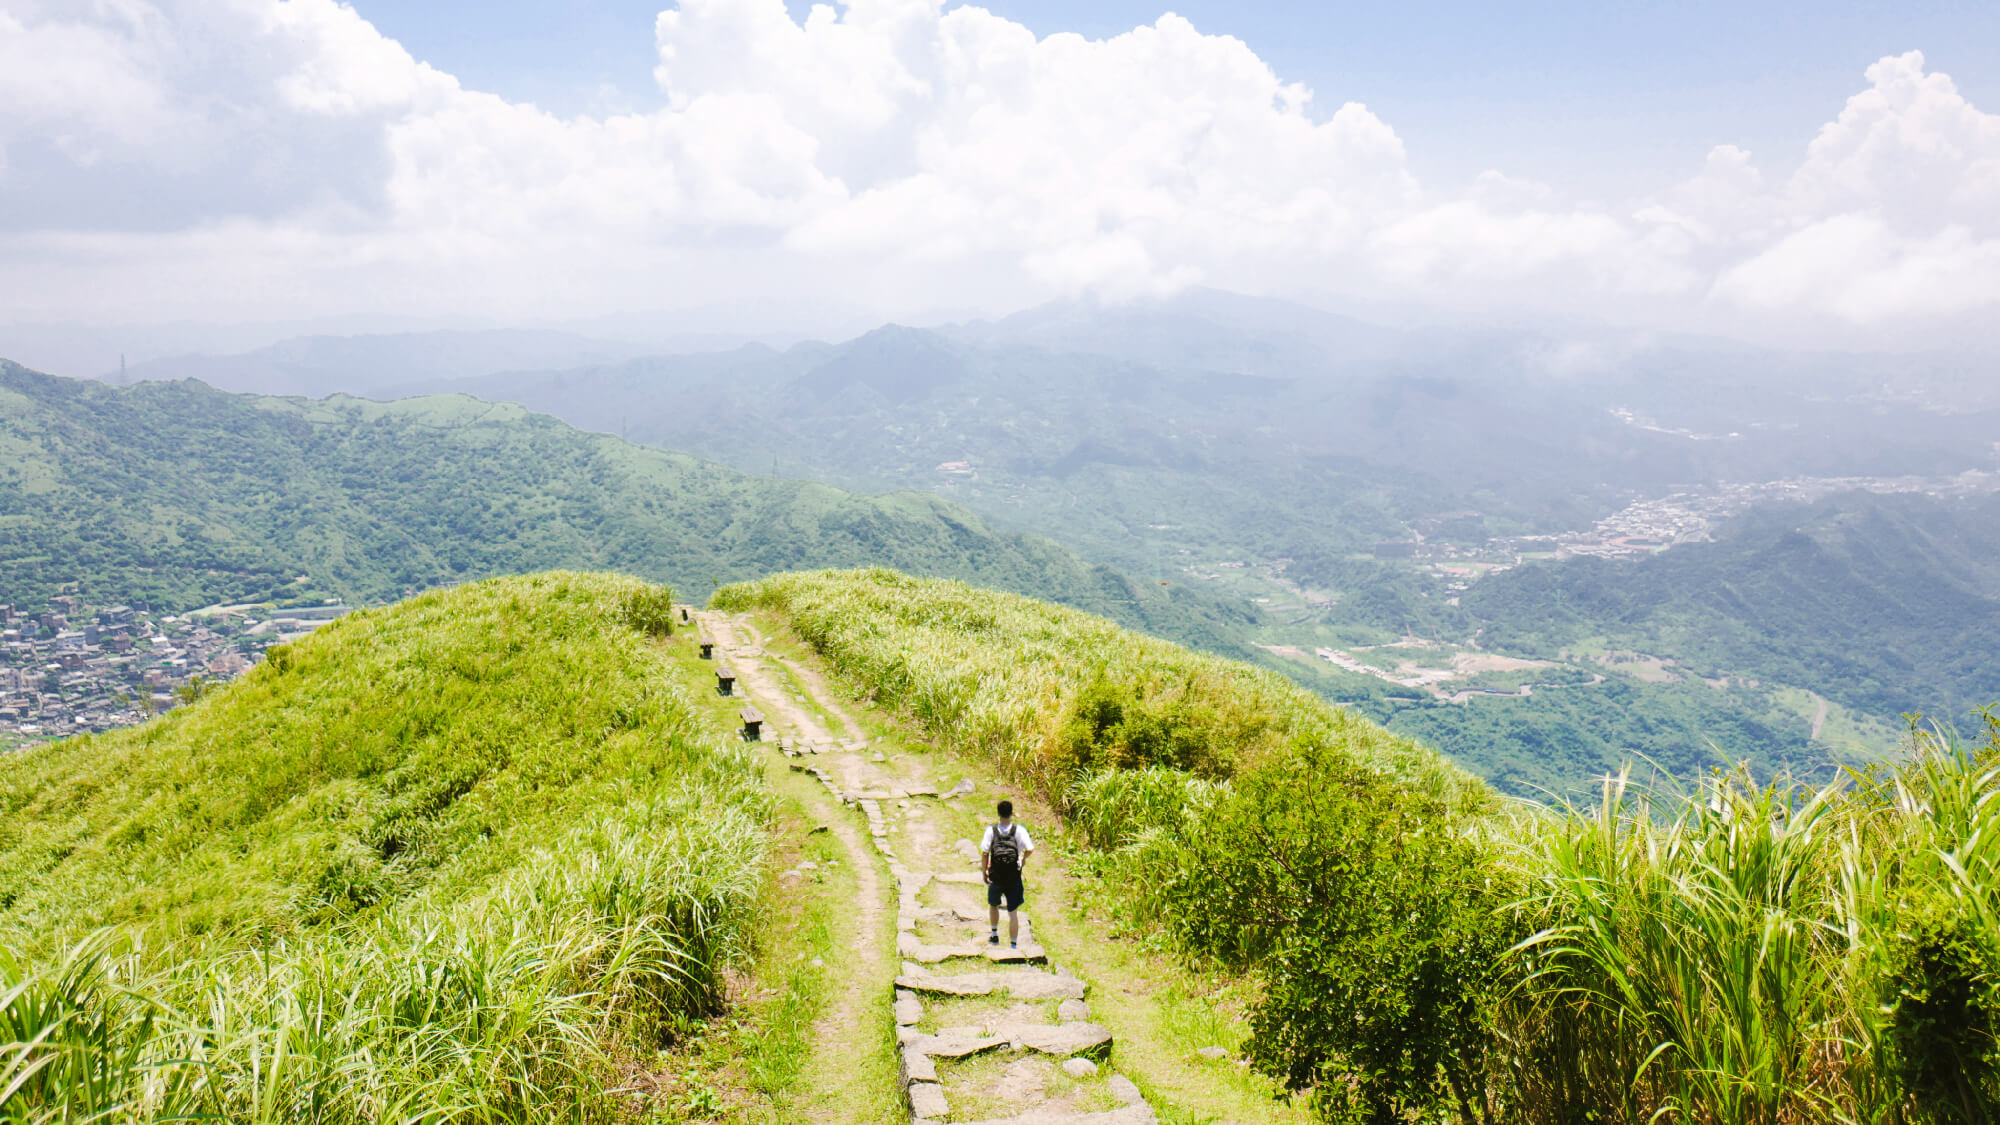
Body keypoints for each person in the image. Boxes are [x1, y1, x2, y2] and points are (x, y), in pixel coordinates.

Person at [980, 799, 1035, 948]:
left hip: (996, 875)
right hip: (1013, 876)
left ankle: (995, 934)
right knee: (1013, 912)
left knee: (993, 905)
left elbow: (985, 853)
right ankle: (1013, 945)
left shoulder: (991, 830)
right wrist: (1023, 860)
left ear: (998, 813)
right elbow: (1030, 849)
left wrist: (984, 871)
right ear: (1011, 813)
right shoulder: (1019, 830)